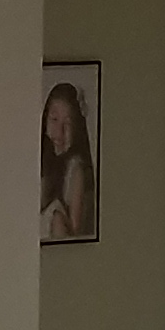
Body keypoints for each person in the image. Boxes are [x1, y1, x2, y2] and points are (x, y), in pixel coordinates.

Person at [39, 79, 96, 242]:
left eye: (68, 124)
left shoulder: (75, 169)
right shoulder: (41, 161)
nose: (59, 132)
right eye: (54, 120)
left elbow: (74, 233)